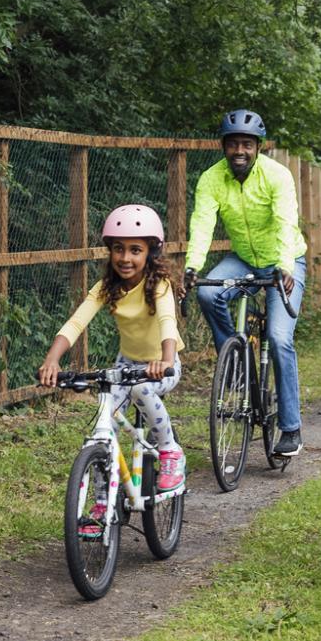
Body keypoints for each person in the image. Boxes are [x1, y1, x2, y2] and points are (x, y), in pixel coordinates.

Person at [183, 109, 308, 457]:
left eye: (247, 144)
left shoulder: (277, 176)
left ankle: (291, 427)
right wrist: (193, 266)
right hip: (244, 260)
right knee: (208, 292)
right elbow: (203, 223)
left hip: (285, 260)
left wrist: (284, 266)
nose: (240, 150)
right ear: (224, 146)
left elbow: (286, 222)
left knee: (280, 339)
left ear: (258, 147)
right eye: (233, 143)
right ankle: (234, 361)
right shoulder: (211, 178)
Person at [38, 204, 187, 494]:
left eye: (135, 250)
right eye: (118, 249)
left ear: (150, 253)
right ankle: (101, 502)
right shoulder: (106, 286)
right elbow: (76, 322)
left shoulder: (159, 285)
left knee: (142, 390)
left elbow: (168, 321)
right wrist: (52, 360)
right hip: (127, 363)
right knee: (102, 430)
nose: (125, 258)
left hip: (162, 363)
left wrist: (165, 360)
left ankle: (170, 452)